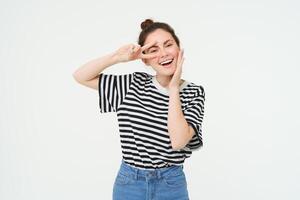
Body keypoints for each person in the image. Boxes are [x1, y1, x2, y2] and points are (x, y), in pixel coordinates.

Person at [73, 18, 205, 200]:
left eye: (168, 45)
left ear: (179, 47)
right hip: (130, 183)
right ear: (146, 60)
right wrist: (117, 58)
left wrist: (174, 89)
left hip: (171, 184)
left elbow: (178, 141)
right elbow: (81, 76)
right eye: (153, 50)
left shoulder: (193, 92)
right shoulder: (132, 84)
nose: (164, 53)